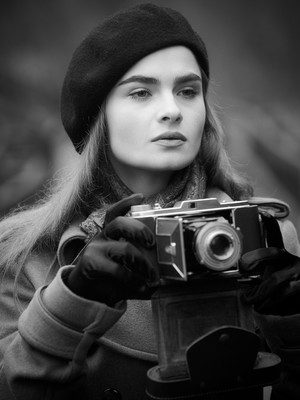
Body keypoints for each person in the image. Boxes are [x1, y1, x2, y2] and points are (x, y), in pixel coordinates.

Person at [0, 3, 299, 400]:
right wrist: (74, 296)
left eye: (188, 91)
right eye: (141, 92)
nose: (173, 110)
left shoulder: (265, 233)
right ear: (98, 117)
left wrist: (292, 329)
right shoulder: (23, 256)